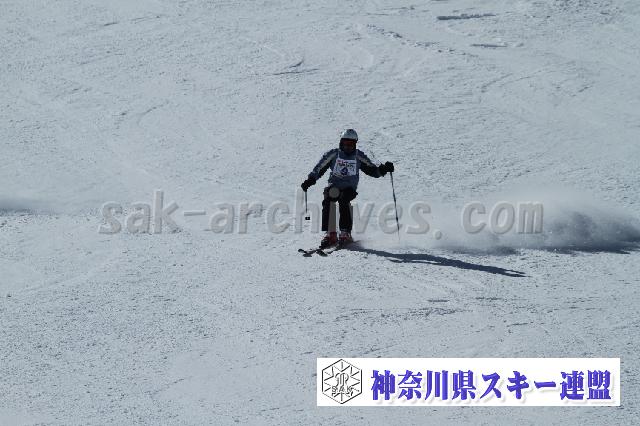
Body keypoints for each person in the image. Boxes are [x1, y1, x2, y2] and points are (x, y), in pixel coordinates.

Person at [301, 129, 394, 248]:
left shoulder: (358, 156)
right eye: (346, 143)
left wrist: (383, 169)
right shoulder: (334, 154)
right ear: (341, 143)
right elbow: (320, 168)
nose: (348, 147)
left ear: (355, 144)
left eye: (351, 144)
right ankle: (330, 233)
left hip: (349, 188)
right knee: (329, 198)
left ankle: (345, 233)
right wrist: (310, 180)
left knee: (344, 199)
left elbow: (372, 170)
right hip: (334, 186)